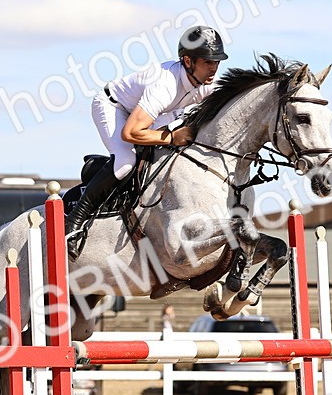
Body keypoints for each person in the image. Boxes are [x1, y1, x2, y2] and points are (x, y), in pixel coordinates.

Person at [66, 25, 230, 259]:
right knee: (125, 162)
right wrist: (172, 136)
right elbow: (130, 133)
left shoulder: (204, 83)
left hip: (151, 112)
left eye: (216, 62)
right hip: (114, 108)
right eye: (207, 62)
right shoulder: (165, 85)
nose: (213, 68)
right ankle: (75, 221)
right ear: (187, 61)